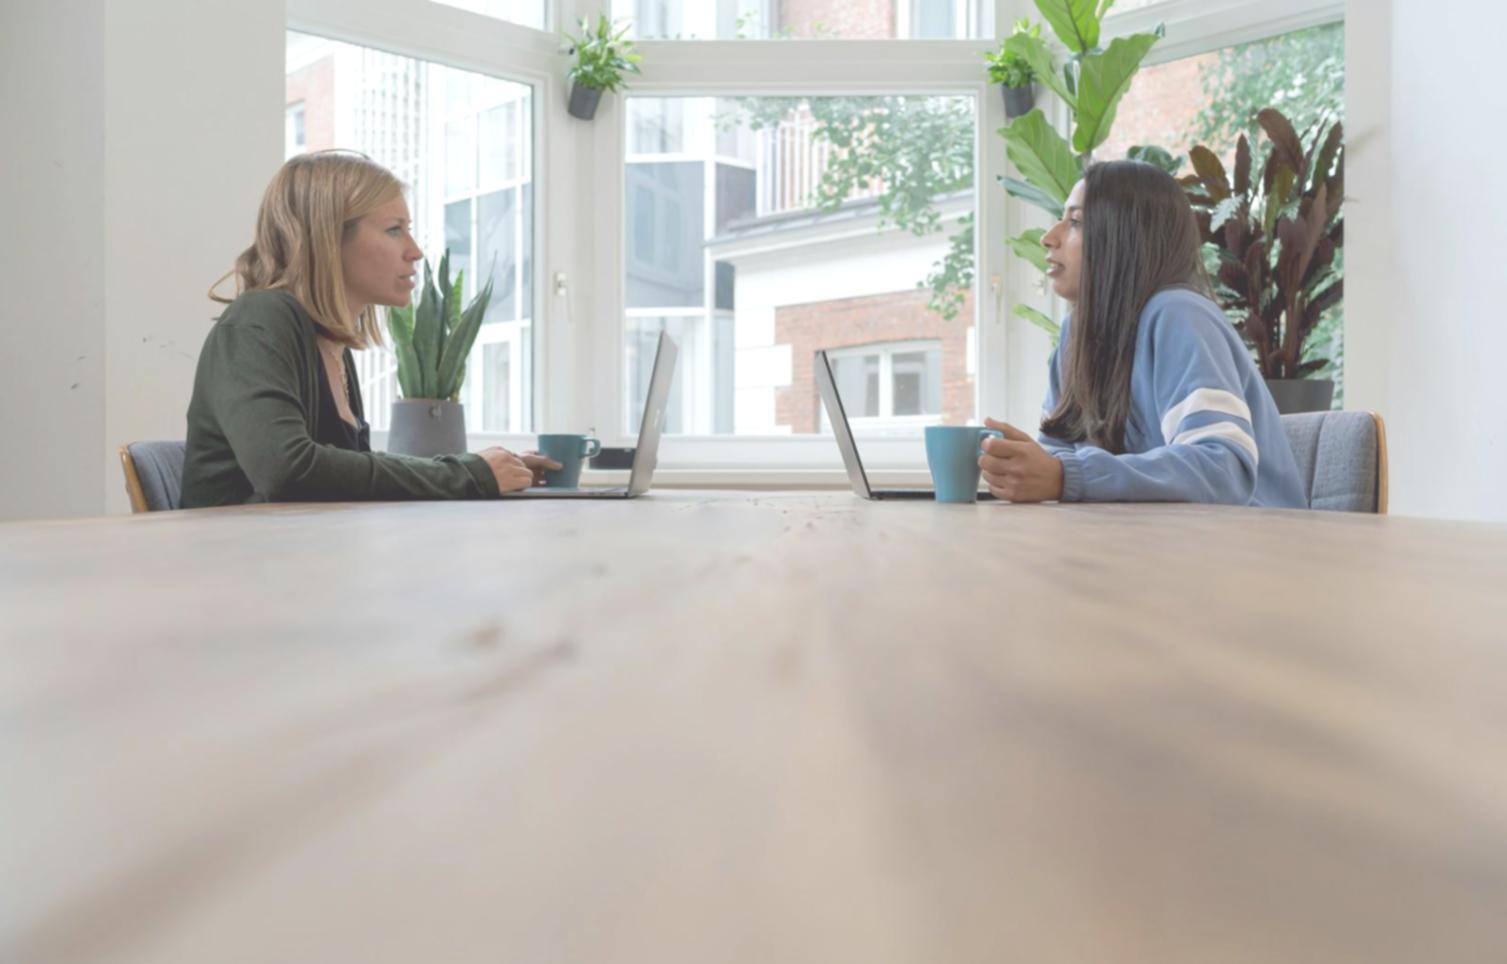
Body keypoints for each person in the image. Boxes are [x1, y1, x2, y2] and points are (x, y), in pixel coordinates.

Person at [181, 150, 557, 507]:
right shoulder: (258, 320)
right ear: (328, 239)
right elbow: (288, 469)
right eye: (394, 230)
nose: (415, 251)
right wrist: (467, 474)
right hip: (235, 568)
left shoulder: (329, 346)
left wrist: (487, 469)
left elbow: (345, 474)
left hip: (298, 563)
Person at [978, 160, 1307, 508]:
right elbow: (1060, 455)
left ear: (1123, 238)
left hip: (1257, 548)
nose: (1049, 237)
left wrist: (1066, 475)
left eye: (1075, 222)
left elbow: (1222, 468)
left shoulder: (1178, 315)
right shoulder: (1075, 336)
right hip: (1155, 545)